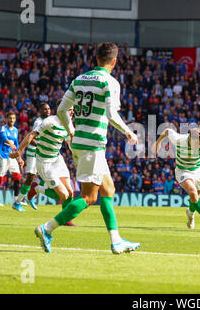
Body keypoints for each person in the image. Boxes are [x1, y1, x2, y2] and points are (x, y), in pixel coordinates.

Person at [33, 42, 140, 254]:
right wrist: (128, 131)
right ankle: (47, 228)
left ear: (96, 58)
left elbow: (62, 109)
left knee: (108, 189)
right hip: (93, 145)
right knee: (89, 198)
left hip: (80, 143)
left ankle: (116, 240)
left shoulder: (79, 79)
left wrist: (71, 130)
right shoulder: (110, 82)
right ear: (114, 61)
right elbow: (111, 114)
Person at [10, 101, 76, 225]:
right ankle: (37, 188)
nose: (72, 111)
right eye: (70, 109)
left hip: (57, 160)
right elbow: (31, 135)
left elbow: (70, 144)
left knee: (70, 193)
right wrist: (19, 151)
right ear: (62, 109)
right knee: (64, 196)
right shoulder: (49, 122)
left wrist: (78, 153)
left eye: (73, 109)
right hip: (44, 162)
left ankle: (66, 219)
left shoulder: (69, 125)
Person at [152, 127, 200, 230]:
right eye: (198, 143)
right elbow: (167, 131)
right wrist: (157, 143)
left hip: (198, 171)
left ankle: (190, 215)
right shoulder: (179, 140)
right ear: (190, 139)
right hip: (183, 171)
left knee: (195, 198)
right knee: (193, 193)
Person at [13, 102, 51, 210]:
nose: (47, 111)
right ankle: (18, 201)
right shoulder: (38, 122)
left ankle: (30, 196)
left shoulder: (49, 121)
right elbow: (31, 138)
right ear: (40, 111)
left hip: (43, 152)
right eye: (45, 109)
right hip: (34, 151)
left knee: (44, 176)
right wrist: (41, 145)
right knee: (30, 176)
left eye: (48, 109)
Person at [0, 111, 24, 209]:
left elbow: (17, 144)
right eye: (10, 118)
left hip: (11, 156)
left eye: (13, 118)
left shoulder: (15, 130)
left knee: (17, 176)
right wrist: (9, 142)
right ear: (6, 119)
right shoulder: (3, 128)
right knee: (0, 176)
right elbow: (3, 137)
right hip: (2, 155)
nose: (12, 120)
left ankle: (16, 200)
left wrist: (19, 157)